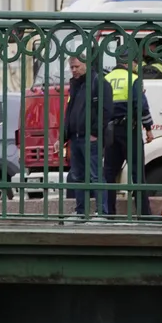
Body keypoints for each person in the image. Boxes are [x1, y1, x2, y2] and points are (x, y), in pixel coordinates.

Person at [103, 55, 155, 218]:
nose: (137, 66)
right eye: (135, 62)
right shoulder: (133, 79)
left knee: (109, 173)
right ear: (128, 63)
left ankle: (108, 212)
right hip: (129, 130)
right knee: (137, 173)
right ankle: (143, 213)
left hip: (110, 130)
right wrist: (148, 127)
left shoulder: (106, 79)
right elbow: (141, 105)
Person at [60, 55, 108, 218]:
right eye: (71, 67)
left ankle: (102, 212)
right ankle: (81, 212)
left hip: (90, 138)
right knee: (77, 176)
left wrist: (94, 133)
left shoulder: (98, 82)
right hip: (76, 138)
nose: (73, 70)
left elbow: (106, 110)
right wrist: (65, 137)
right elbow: (70, 112)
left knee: (95, 176)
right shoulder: (75, 85)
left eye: (77, 67)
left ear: (86, 65)